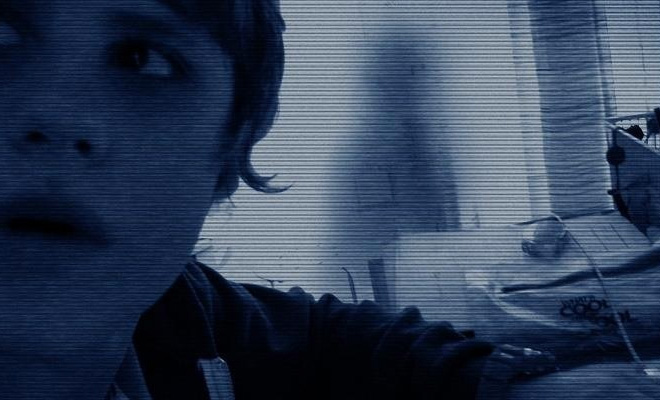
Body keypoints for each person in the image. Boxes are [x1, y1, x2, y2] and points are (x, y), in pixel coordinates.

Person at [0, 0, 658, 399]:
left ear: (230, 152)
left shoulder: (185, 316)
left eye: (141, 58)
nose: (55, 116)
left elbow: (329, 341)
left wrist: (510, 385)